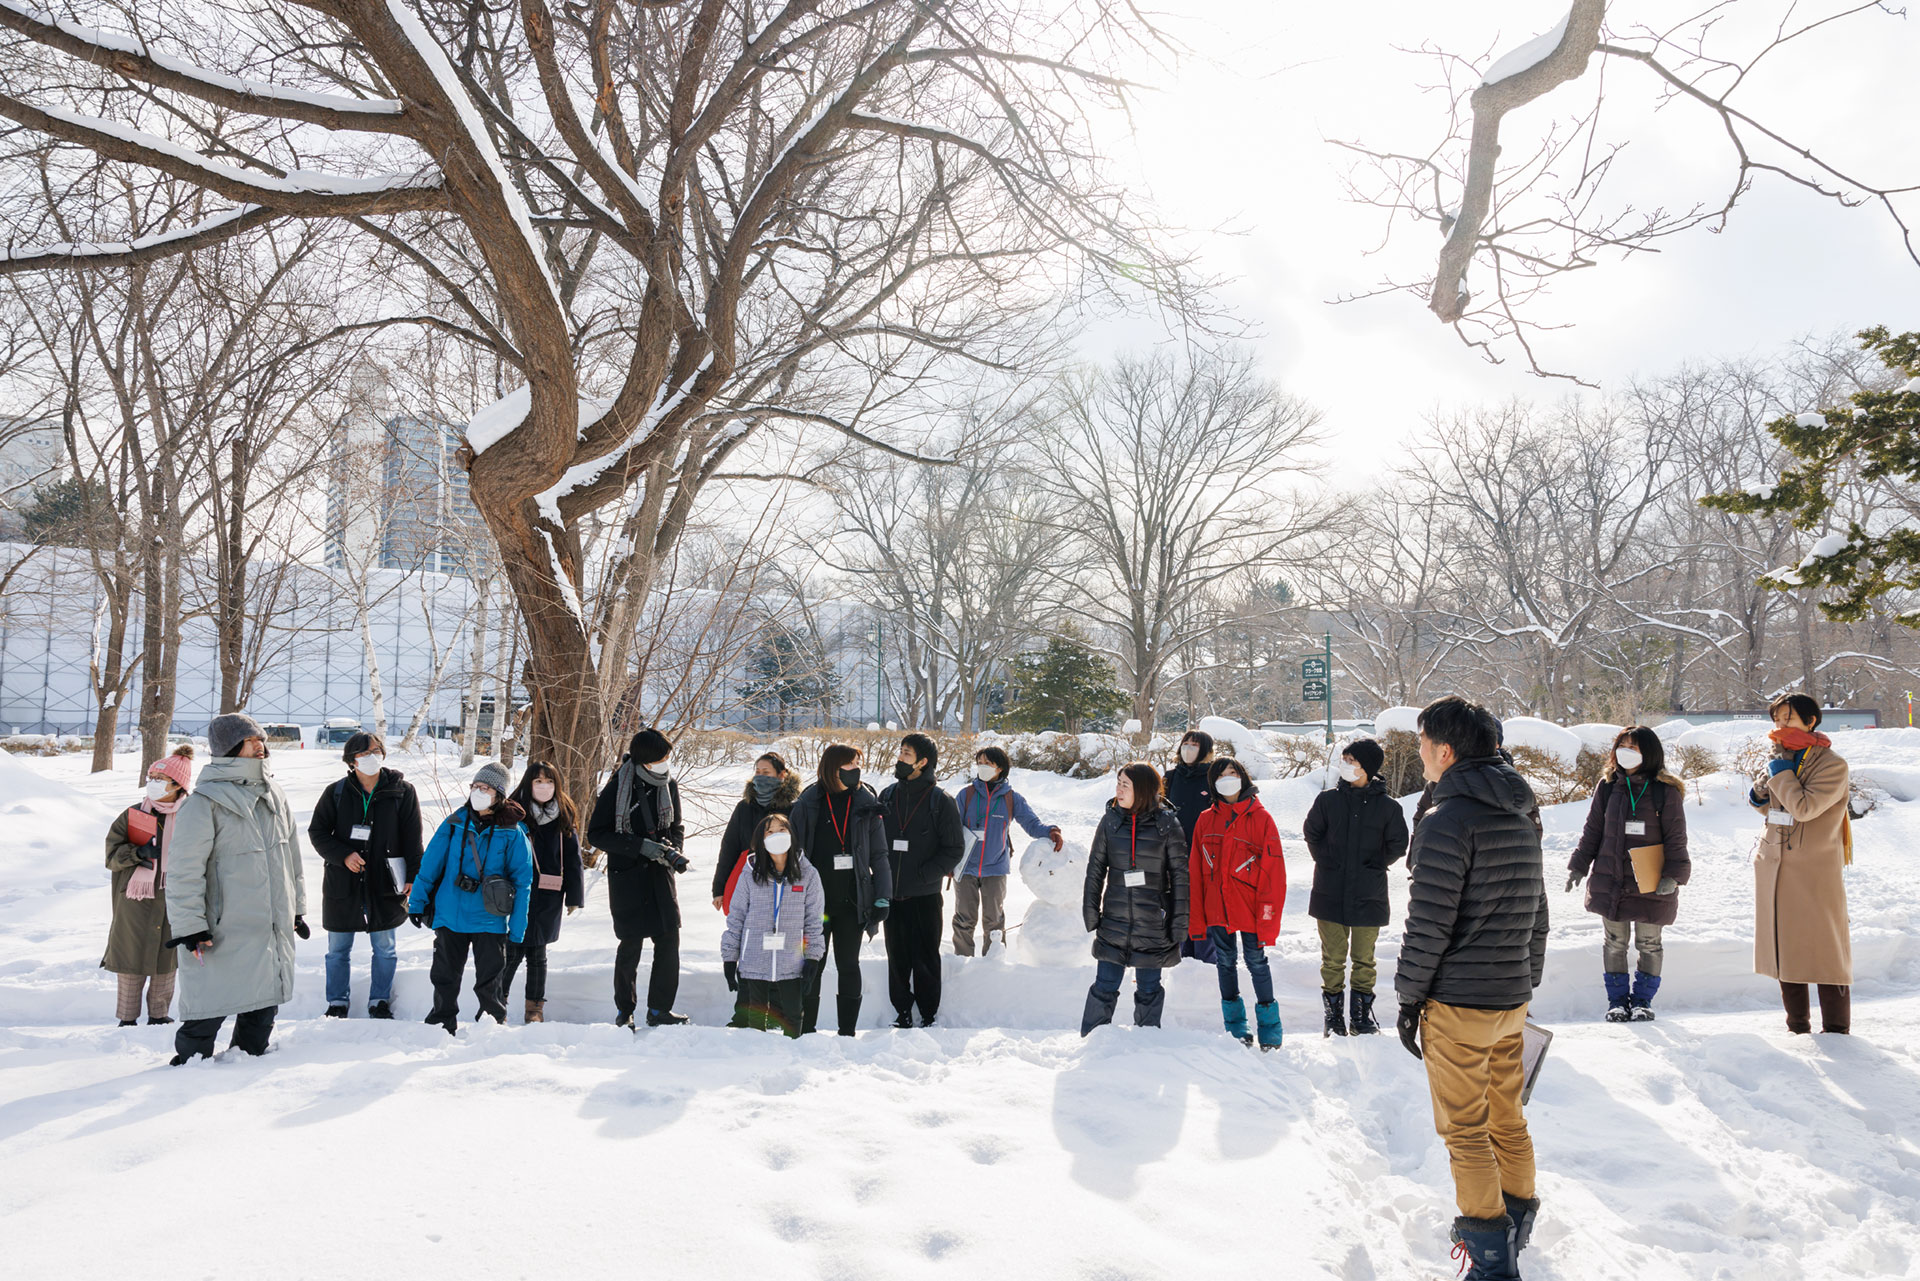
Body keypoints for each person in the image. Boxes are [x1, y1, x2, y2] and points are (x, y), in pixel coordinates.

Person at [1394, 696, 1548, 1279]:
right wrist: (1526, 977)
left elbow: (1429, 923)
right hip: (1509, 997)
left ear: (1446, 750)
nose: (1421, 757)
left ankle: (1490, 1255)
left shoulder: (1448, 820)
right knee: (1507, 1118)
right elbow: (1538, 913)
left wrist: (1410, 999)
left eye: (1423, 746)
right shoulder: (1520, 812)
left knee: (1466, 1129)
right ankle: (1515, 1224)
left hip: (1458, 1001)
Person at [164, 713, 308, 1065]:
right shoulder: (204, 803)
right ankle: (185, 1077)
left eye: (261, 740)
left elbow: (292, 855)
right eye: (252, 741)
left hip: (270, 925)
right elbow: (184, 872)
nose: (261, 746)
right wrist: (190, 926)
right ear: (230, 749)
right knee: (208, 1008)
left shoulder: (274, 793)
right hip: (223, 929)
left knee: (263, 1005)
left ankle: (247, 1072)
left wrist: (297, 907)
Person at [1567, 727, 1690, 1023]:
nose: (1626, 751)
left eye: (1633, 746)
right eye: (1622, 745)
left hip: (1651, 880)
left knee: (1649, 943)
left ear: (1649, 752)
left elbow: (1677, 838)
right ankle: (1617, 1002)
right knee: (1614, 942)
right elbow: (1593, 831)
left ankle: (1643, 1001)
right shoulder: (1608, 786)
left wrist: (1673, 875)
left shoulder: (1665, 790)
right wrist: (1579, 865)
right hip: (1611, 878)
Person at [1749, 693, 1852, 1035]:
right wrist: (1762, 797)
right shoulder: (1784, 757)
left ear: (1810, 721)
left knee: (1825, 950)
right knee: (1786, 950)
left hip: (1813, 870)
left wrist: (1781, 776)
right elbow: (1781, 813)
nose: (1780, 726)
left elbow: (1806, 809)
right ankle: (1797, 1029)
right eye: (1777, 719)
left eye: (1788, 719)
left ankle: (1836, 1031)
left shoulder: (1832, 765)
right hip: (1777, 865)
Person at [407, 762, 533, 1034]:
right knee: (444, 977)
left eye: (484, 788)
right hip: (449, 915)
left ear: (499, 794)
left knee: (490, 981)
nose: (477, 792)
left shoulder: (513, 832)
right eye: (475, 786)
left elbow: (523, 883)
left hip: (490, 919)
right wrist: (416, 903)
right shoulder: (454, 823)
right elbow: (430, 866)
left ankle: (491, 1027)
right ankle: (440, 1025)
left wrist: (518, 927)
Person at [307, 732, 423, 1019]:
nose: (373, 756)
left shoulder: (402, 791)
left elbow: (413, 838)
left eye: (377, 750)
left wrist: (413, 875)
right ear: (351, 760)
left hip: (386, 882)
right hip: (342, 882)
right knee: (337, 949)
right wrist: (343, 855)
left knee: (385, 947)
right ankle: (337, 1002)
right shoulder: (336, 792)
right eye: (365, 753)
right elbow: (318, 832)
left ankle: (379, 1000)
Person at [1303, 737, 1409, 1037]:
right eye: (1344, 760)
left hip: (1369, 892)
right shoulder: (1328, 800)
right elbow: (1312, 832)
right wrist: (1326, 860)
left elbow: (1399, 843)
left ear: (1368, 768)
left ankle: (1361, 1016)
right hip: (1329, 891)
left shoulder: (1388, 807)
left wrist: (1374, 864)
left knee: (1365, 959)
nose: (1346, 766)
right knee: (1333, 959)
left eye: (1352, 761)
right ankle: (1333, 1016)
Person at [588, 727, 692, 1028]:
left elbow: (677, 826)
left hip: (660, 874)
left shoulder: (668, 784)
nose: (665, 763)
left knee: (669, 940)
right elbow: (597, 833)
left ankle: (660, 1009)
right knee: (630, 944)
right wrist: (639, 847)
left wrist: (672, 850)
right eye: (659, 758)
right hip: (628, 876)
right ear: (644, 760)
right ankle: (625, 1010)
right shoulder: (618, 785)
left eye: (666, 758)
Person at [788, 743, 892, 1035]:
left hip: (852, 901)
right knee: (812, 964)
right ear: (832, 768)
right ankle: (804, 1030)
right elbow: (793, 855)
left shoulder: (866, 803)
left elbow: (879, 855)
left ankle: (847, 1031)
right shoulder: (808, 803)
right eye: (849, 765)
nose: (855, 770)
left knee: (848, 964)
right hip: (815, 905)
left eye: (857, 764)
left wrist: (883, 895)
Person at [1080, 762, 1188, 1036]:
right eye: (1118, 783)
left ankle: (1147, 1044)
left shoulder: (1167, 825)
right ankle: (1093, 1040)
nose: (1118, 790)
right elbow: (1095, 870)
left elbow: (1180, 879)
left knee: (1149, 989)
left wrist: (1178, 923)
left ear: (1142, 789)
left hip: (1152, 924)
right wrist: (1091, 911)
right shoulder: (1110, 821)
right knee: (1104, 986)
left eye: (1125, 785)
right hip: (1114, 921)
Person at [1187, 756, 1285, 1049]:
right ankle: (1236, 1028)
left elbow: (1274, 874)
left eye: (1233, 772)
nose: (1228, 778)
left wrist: (1268, 918)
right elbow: (1196, 870)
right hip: (1218, 906)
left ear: (1243, 777)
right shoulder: (1206, 819)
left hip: (1250, 908)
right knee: (1225, 962)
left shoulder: (1262, 818)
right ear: (1213, 783)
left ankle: (1270, 1029)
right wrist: (1198, 915)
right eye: (1221, 774)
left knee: (1257, 962)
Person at [101, 744, 193, 1026]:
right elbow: (111, 857)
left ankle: (159, 1015)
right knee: (131, 957)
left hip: (175, 897)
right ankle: (127, 1019)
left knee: (167, 957)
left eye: (159, 779)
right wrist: (136, 854)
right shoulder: (133, 815)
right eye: (150, 778)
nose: (151, 784)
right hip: (135, 900)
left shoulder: (192, 817)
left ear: (178, 785)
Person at [879, 733, 966, 1028]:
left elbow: (954, 848)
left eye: (906, 753)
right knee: (897, 958)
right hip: (893, 894)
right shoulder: (888, 795)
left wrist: (924, 875)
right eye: (901, 751)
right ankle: (902, 1011)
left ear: (923, 762)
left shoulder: (941, 802)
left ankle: (928, 1014)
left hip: (925, 896)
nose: (900, 757)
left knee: (926, 958)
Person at [712, 752, 803, 1027]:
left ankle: (775, 1013)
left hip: (782, 884)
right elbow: (728, 847)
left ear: (782, 775)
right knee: (750, 949)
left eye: (767, 772)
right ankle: (745, 1014)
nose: (761, 776)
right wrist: (719, 887)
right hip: (747, 882)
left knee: (778, 948)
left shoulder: (795, 807)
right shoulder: (744, 807)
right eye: (758, 771)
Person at [720, 814, 825, 1037]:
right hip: (755, 958)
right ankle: (757, 1061)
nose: (776, 835)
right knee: (756, 1017)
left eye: (782, 830)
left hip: (791, 960)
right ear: (761, 839)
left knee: (793, 1015)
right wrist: (730, 958)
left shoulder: (809, 875)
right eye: (769, 831)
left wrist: (813, 957)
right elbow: (736, 917)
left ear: (792, 836)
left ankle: (790, 1060)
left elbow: (814, 921)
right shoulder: (749, 874)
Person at [951, 745, 1061, 956]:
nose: (982, 767)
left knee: (994, 922)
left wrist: (1050, 832)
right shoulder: (966, 795)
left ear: (1000, 768)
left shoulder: (1011, 798)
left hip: (995, 867)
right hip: (966, 867)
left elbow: (1031, 823)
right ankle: (962, 964)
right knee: (964, 919)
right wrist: (949, 861)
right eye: (980, 763)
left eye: (988, 764)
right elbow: (951, 830)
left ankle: (993, 964)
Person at [503, 761, 585, 1023]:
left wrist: (574, 896)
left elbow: (573, 858)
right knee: (513, 950)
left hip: (549, 892)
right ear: (529, 783)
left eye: (549, 781)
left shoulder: (563, 812)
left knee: (538, 953)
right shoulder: (513, 811)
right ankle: (496, 1002)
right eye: (538, 781)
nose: (544, 786)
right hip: (517, 892)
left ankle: (534, 1008)